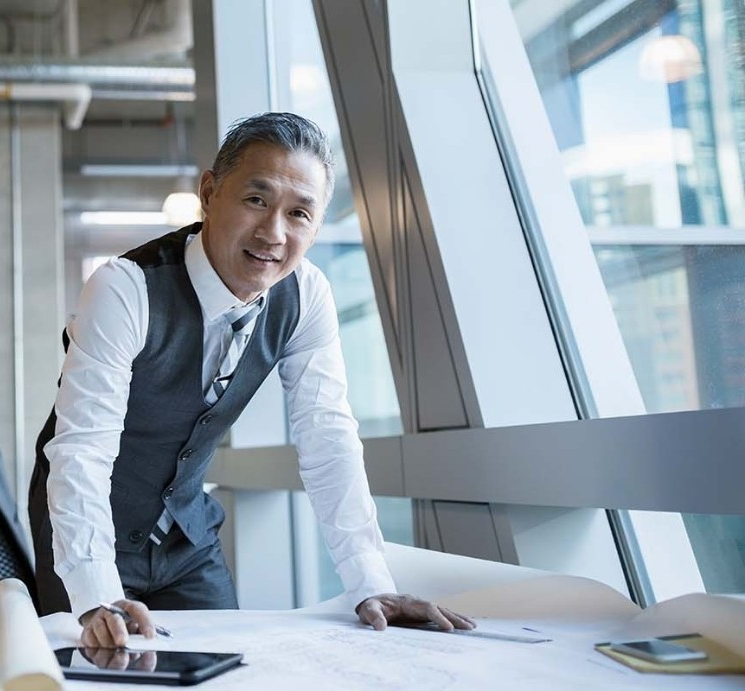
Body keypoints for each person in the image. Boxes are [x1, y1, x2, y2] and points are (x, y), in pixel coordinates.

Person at [28, 112, 475, 647]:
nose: (273, 233)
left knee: (228, 670)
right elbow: (81, 450)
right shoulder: (125, 289)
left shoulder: (306, 296)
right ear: (210, 192)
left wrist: (369, 582)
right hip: (85, 538)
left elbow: (327, 439)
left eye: (300, 213)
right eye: (256, 200)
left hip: (188, 542)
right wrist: (96, 591)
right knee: (102, 676)